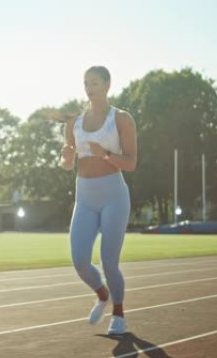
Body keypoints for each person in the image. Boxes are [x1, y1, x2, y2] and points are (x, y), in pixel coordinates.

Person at [59, 65, 137, 335]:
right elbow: (68, 165)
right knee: (80, 260)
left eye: (94, 83)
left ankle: (118, 313)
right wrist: (67, 159)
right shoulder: (74, 122)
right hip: (85, 197)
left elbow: (131, 163)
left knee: (108, 261)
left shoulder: (122, 119)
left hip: (113, 195)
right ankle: (102, 294)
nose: (89, 88)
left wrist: (104, 153)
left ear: (107, 85)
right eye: (85, 83)